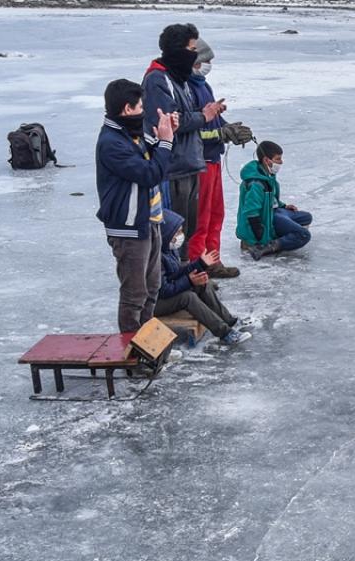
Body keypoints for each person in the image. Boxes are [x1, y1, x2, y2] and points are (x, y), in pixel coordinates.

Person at [96, 78, 176, 333]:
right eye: (140, 106)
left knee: (152, 288)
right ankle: (132, 349)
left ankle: (149, 347)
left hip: (148, 221)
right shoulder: (112, 143)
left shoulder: (130, 134)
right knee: (135, 295)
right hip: (128, 228)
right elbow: (149, 174)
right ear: (127, 109)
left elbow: (158, 161)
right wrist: (165, 143)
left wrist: (165, 136)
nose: (144, 111)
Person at [142, 23, 225, 257]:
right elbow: (169, 122)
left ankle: (189, 272)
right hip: (173, 168)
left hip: (189, 163)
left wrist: (208, 115)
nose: (194, 56)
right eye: (191, 49)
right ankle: (172, 275)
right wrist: (204, 116)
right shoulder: (158, 79)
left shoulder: (179, 79)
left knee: (188, 230)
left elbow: (184, 116)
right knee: (173, 234)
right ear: (177, 50)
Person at [188, 38, 253, 279]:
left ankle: (212, 261)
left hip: (213, 159)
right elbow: (190, 130)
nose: (208, 65)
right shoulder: (186, 88)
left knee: (215, 214)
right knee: (200, 218)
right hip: (199, 162)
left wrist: (228, 128)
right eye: (205, 61)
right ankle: (197, 268)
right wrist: (220, 134)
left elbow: (212, 120)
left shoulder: (202, 85)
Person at [154, 210, 253, 344]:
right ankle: (225, 333)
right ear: (166, 233)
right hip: (153, 304)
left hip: (163, 295)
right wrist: (189, 281)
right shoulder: (155, 258)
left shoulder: (169, 249)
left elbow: (175, 274)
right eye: (177, 232)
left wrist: (200, 264)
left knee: (204, 283)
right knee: (187, 297)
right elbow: (163, 290)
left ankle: (229, 321)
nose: (181, 236)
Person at [236, 141, 313, 260]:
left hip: (273, 212)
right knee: (303, 235)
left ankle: (280, 233)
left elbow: (271, 199)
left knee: (306, 217)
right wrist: (260, 236)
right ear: (267, 160)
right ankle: (267, 246)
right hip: (266, 218)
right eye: (278, 159)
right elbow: (251, 213)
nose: (281, 162)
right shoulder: (256, 184)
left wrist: (283, 206)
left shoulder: (268, 176)